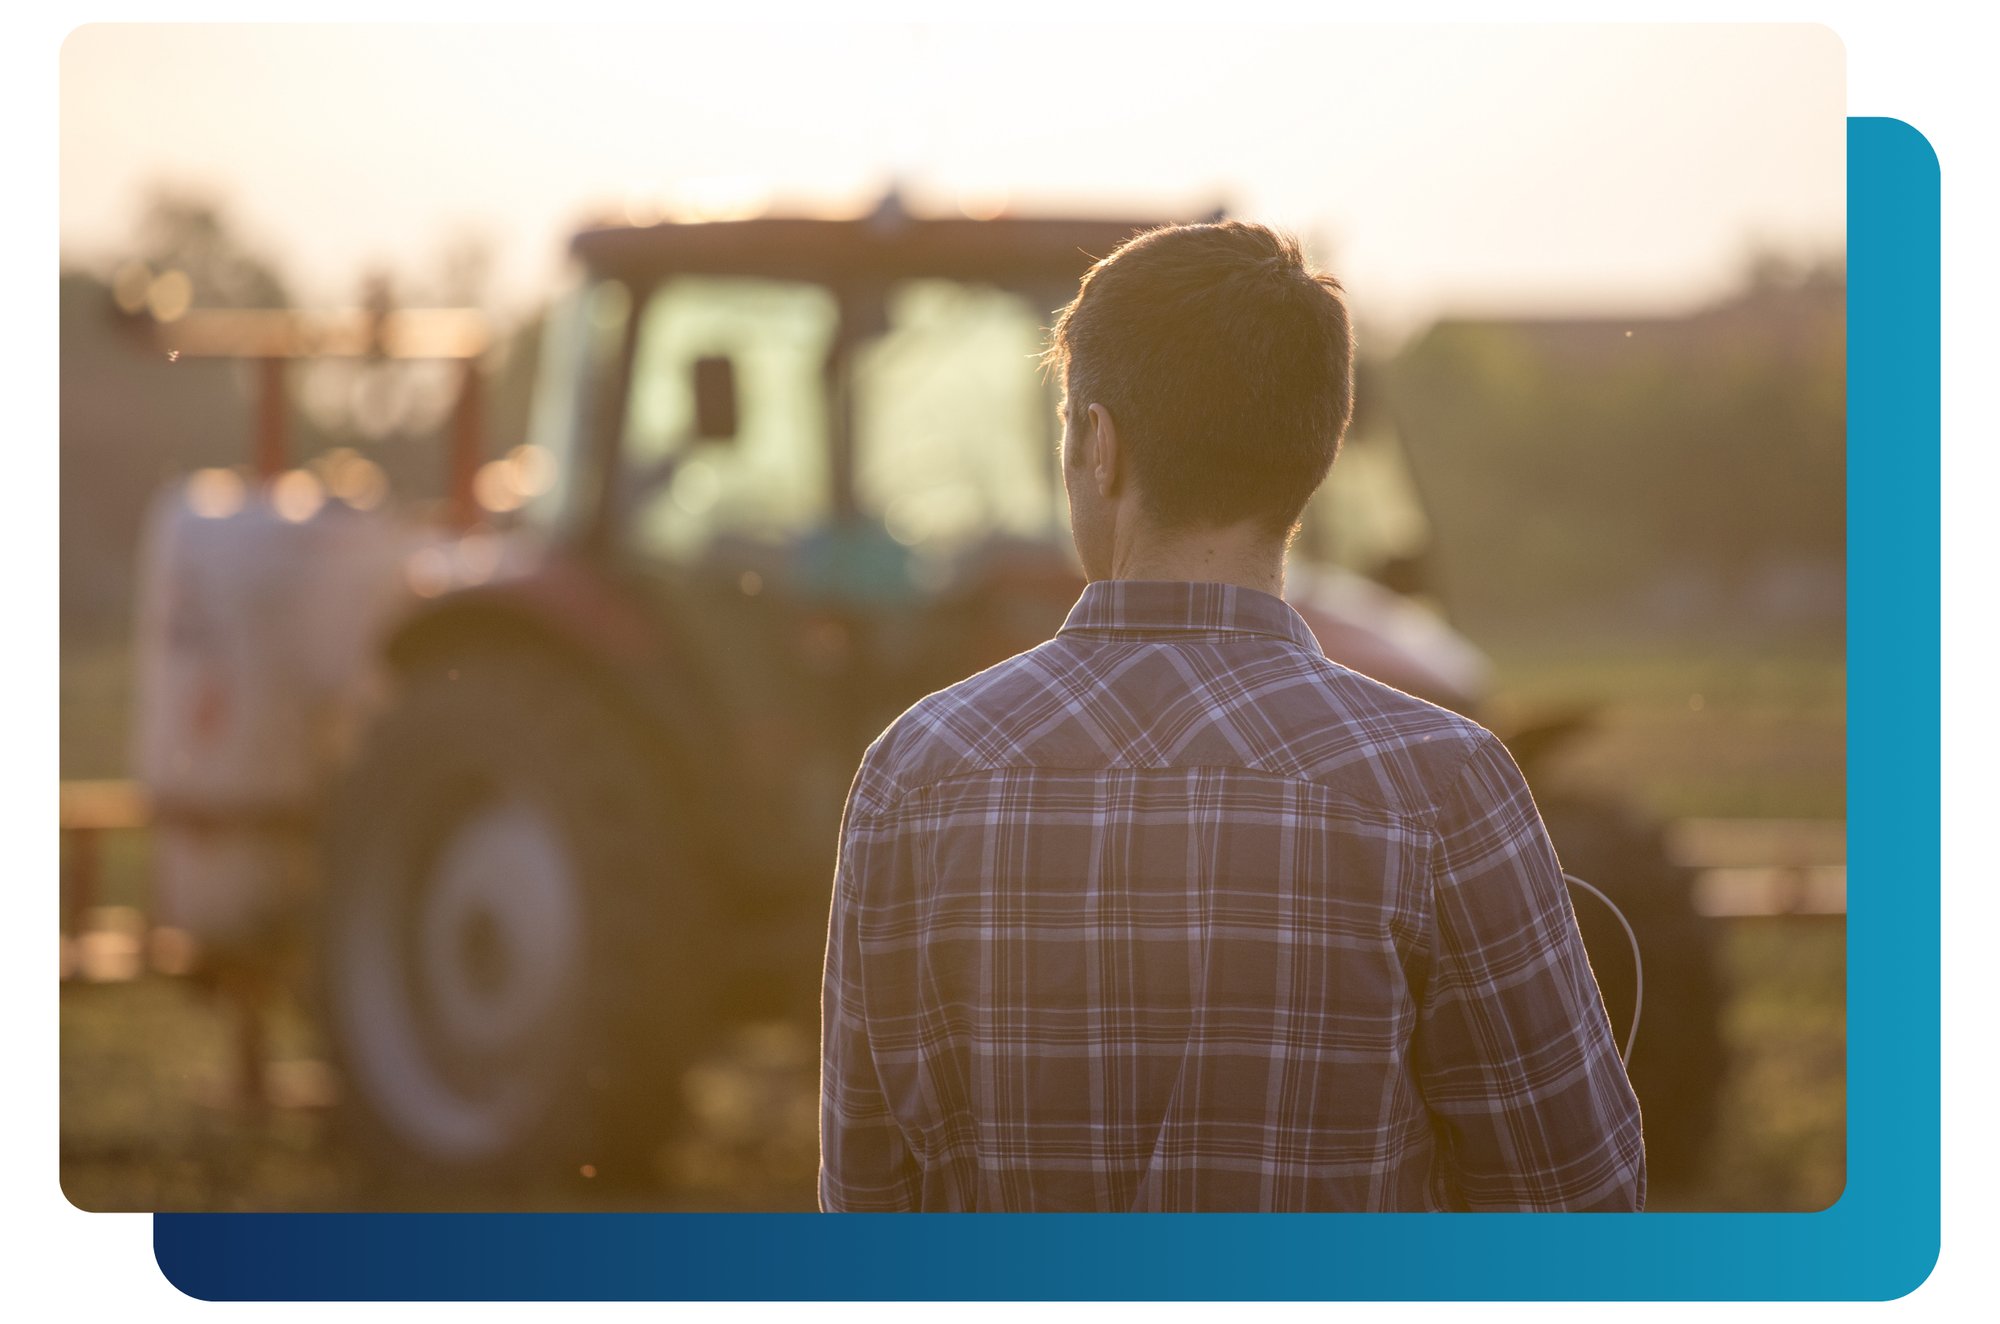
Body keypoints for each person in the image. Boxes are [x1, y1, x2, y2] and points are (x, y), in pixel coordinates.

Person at [818, 221, 1645, 1212]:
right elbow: (1570, 1201)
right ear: (1315, 453)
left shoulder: (915, 771)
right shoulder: (1442, 783)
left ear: (1096, 443)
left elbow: (865, 1202)